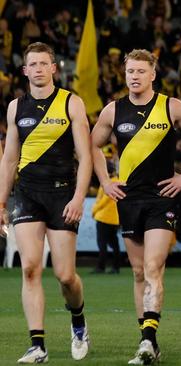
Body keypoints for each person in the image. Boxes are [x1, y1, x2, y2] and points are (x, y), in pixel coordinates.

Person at [90, 49, 181, 365]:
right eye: (130, 72)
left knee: (153, 267)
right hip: (128, 200)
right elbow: (91, 145)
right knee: (139, 272)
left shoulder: (172, 107)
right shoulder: (113, 111)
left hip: (162, 198)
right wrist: (105, 181)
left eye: (141, 71)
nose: (135, 76)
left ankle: (148, 341)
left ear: (153, 74)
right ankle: (147, 339)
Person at [0, 42, 92, 363]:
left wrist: (80, 197)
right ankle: (37, 345)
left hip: (62, 193)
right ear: (24, 70)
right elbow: (9, 159)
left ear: (53, 68)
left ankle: (78, 319)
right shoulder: (15, 108)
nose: (38, 69)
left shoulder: (72, 103)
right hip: (27, 194)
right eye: (32, 65)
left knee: (65, 276)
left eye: (43, 64)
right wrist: (0, 203)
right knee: (29, 269)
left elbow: (86, 155)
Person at [90, 147, 120, 275]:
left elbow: (103, 201)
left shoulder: (108, 184)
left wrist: (94, 211)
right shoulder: (118, 181)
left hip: (103, 218)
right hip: (114, 219)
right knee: (114, 244)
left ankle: (101, 266)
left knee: (102, 244)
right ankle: (116, 267)